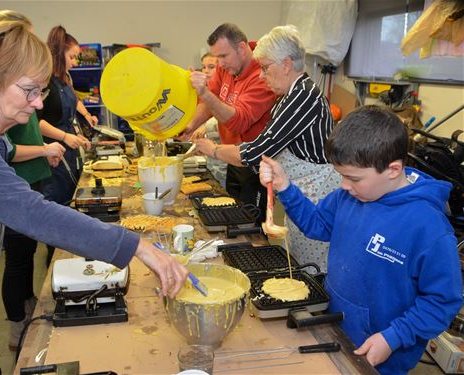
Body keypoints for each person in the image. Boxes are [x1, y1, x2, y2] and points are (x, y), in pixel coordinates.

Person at [0, 21, 188, 374]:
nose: (37, 104)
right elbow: (30, 211)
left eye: (40, 92)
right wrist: (137, 247)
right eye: (29, 91)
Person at [259, 105, 462, 374]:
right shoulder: (351, 195)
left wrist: (393, 337)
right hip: (335, 325)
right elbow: (316, 224)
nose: (343, 185)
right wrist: (285, 186)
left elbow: (443, 300)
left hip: (383, 352)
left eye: (352, 177)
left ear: (392, 169)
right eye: (341, 175)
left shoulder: (428, 227)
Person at [195, 25, 340, 271]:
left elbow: (255, 152)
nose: (261, 76)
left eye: (265, 68)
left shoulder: (303, 98)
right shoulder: (288, 96)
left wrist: (213, 149)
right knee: (299, 261)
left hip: (316, 198)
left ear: (285, 64)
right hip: (300, 193)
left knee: (313, 268)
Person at [0, 9, 66, 351]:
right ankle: (17, 325)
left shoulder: (18, 100)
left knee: (26, 253)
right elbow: (8, 150)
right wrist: (44, 148)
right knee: (17, 261)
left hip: (32, 178)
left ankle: (28, 305)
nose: (36, 104)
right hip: (17, 182)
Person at [181, 23, 276, 216]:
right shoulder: (228, 67)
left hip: (255, 163)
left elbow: (239, 120)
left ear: (241, 48)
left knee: (251, 224)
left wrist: (204, 92)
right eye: (216, 57)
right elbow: (210, 102)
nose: (220, 64)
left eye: (223, 56)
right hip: (233, 156)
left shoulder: (262, 74)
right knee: (232, 215)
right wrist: (190, 126)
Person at [38, 25, 99, 265]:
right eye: (72, 57)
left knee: (69, 205)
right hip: (52, 156)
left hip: (69, 151)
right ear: (58, 53)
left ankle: (66, 255)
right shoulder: (45, 82)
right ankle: (55, 261)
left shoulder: (66, 79)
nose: (75, 62)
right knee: (55, 211)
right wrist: (64, 137)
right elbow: (37, 123)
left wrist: (85, 116)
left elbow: (74, 99)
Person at [191, 52, 227, 188]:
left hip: (226, 162)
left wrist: (206, 126)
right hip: (210, 160)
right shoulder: (203, 91)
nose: (206, 71)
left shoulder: (225, 91)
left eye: (211, 67)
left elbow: (230, 118)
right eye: (204, 67)